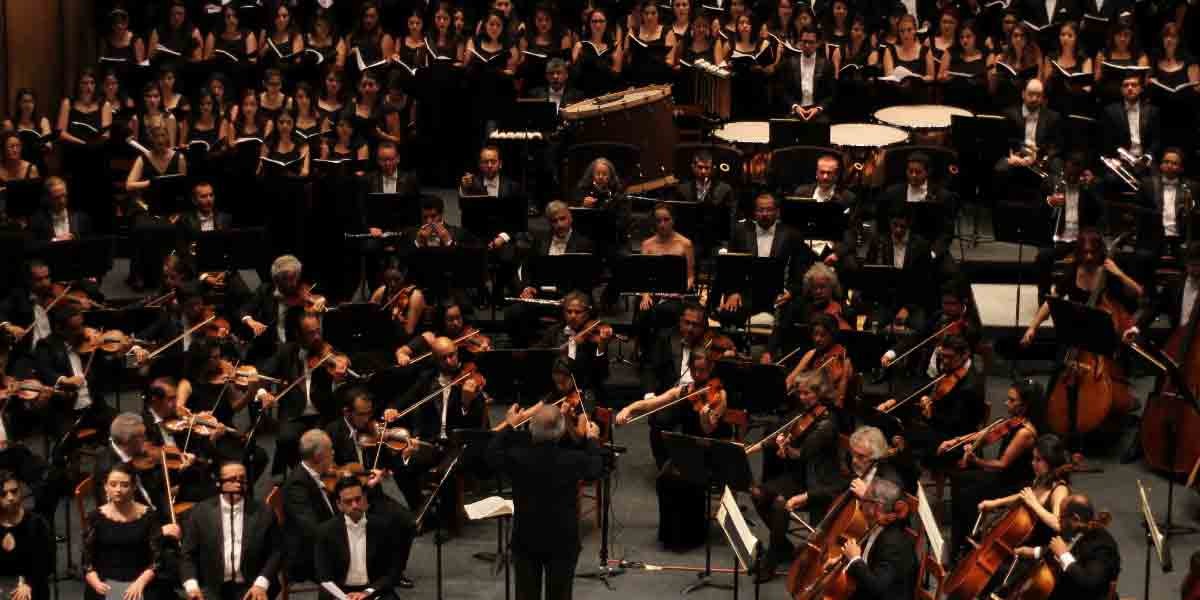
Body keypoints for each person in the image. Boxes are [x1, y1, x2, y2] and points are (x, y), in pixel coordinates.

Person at [488, 402, 605, 600]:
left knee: (526, 594)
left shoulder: (518, 457)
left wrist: (509, 425)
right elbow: (596, 467)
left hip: (526, 538)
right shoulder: (573, 459)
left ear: (532, 430)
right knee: (560, 594)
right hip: (562, 541)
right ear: (560, 433)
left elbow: (490, 454)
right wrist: (592, 440)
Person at [616, 351, 730, 550]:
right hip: (686, 448)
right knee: (664, 478)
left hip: (708, 450)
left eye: (702, 370)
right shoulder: (684, 391)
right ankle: (670, 535)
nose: (698, 374)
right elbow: (652, 402)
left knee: (685, 479)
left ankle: (691, 536)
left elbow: (709, 429)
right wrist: (629, 409)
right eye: (694, 370)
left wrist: (705, 415)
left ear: (711, 369)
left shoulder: (719, 394)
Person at [749, 371, 840, 581]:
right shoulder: (803, 412)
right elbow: (783, 433)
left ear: (819, 393)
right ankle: (783, 546)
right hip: (799, 475)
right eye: (800, 393)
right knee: (756, 493)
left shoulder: (827, 423)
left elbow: (805, 453)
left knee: (780, 503)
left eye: (807, 393)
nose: (802, 398)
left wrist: (787, 449)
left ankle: (771, 559)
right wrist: (780, 441)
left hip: (818, 479)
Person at [942, 380, 1041, 560]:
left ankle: (964, 547)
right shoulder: (1012, 421)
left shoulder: (1025, 432)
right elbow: (983, 434)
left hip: (1012, 484)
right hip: (1002, 476)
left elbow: (1002, 464)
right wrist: (956, 441)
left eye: (1012, 400)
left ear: (1024, 405)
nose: (1006, 403)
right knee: (958, 479)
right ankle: (960, 537)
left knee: (967, 493)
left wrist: (976, 460)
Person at [876, 334, 986, 467]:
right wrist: (893, 401)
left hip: (956, 437)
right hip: (940, 425)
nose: (944, 361)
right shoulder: (953, 368)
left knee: (902, 437)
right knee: (895, 421)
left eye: (949, 357)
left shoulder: (970, 386)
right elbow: (925, 386)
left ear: (965, 355)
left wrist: (930, 413)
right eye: (943, 356)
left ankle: (906, 472)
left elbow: (956, 422)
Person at [255, 313, 343, 474]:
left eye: (318, 331)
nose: (317, 337)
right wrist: (263, 394)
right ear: (298, 334)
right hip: (294, 414)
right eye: (311, 333)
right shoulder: (285, 351)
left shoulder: (327, 350)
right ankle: (302, 473)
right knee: (285, 438)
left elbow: (344, 370)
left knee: (335, 435)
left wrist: (338, 377)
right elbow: (263, 374)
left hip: (323, 413)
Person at [180, 461, 281, 600]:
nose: (239, 484)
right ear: (219, 483)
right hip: (211, 588)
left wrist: (261, 583)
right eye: (232, 479)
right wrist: (192, 587)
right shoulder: (200, 512)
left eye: (242, 479)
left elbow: (276, 550)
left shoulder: (264, 511)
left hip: (252, 584)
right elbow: (187, 554)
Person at [503, 201, 595, 347]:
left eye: (562, 219)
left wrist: (572, 298)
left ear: (570, 218)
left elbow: (588, 279)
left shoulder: (584, 243)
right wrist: (527, 287)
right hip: (541, 296)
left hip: (568, 299)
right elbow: (527, 268)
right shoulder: (540, 240)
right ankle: (525, 352)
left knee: (574, 315)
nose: (559, 224)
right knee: (514, 313)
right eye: (554, 221)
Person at [719, 192, 813, 327]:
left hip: (779, 293)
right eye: (760, 210)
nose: (764, 214)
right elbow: (732, 266)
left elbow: (800, 268)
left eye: (769, 210)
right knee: (728, 315)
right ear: (754, 212)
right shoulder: (740, 231)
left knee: (794, 318)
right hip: (748, 292)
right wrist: (733, 292)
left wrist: (790, 291)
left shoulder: (791, 234)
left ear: (777, 212)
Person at [1010, 494, 1120, 600]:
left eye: (1062, 517)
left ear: (1075, 518)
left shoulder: (1104, 547)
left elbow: (1089, 582)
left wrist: (1063, 555)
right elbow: (1073, 551)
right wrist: (1035, 551)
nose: (1059, 521)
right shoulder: (1080, 532)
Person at [314, 476, 407, 600]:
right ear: (339, 505)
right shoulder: (325, 531)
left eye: (358, 499)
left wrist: (368, 592)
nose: (355, 505)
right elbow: (323, 575)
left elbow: (394, 570)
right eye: (348, 501)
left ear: (365, 498)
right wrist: (343, 597)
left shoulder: (384, 527)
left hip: (373, 589)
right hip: (340, 591)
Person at [82, 463, 164, 600]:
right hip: (105, 580)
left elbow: (158, 560)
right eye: (113, 484)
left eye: (124, 485)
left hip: (140, 578)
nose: (118, 490)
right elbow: (86, 562)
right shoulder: (95, 517)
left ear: (134, 487)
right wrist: (96, 583)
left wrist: (140, 583)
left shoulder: (149, 516)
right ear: (105, 487)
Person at [1034, 153, 1102, 301]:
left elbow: (1099, 212)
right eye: (1068, 175)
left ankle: (1085, 298)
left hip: (1080, 241)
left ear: (1081, 174)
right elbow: (1036, 211)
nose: (1071, 179)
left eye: (1075, 176)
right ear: (1064, 170)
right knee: (1043, 256)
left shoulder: (1087, 189)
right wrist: (1049, 202)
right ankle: (1044, 298)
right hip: (1057, 239)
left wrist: (1090, 187)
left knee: (1094, 255)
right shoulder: (1050, 184)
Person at [840, 477, 918, 600]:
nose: (860, 505)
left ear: (876, 507)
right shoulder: (877, 525)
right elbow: (867, 559)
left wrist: (854, 559)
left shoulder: (892, 544)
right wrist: (843, 563)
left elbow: (877, 587)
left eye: (864, 500)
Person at [281, 429, 338, 584]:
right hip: (308, 555)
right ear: (318, 457)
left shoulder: (316, 474)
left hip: (324, 540)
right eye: (330, 450)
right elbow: (312, 529)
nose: (333, 453)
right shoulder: (296, 486)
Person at [876, 153, 954, 257]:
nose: (913, 175)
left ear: (928, 172)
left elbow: (946, 232)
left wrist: (933, 253)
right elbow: (881, 223)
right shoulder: (892, 193)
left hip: (930, 249)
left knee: (951, 272)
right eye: (910, 171)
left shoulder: (943, 196)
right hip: (897, 247)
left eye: (918, 172)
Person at [792, 154, 860, 271]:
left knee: (850, 265)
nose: (825, 176)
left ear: (836, 175)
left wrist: (837, 254)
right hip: (805, 248)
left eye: (829, 173)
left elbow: (851, 232)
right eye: (822, 172)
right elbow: (793, 224)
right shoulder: (801, 192)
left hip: (831, 250)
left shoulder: (847, 197)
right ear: (816, 173)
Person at [1134, 147, 1194, 277]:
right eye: (1166, 161)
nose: (1169, 165)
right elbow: (1137, 213)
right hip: (1153, 238)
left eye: (1174, 163)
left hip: (1180, 239)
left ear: (1181, 168)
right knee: (1142, 261)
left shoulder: (1190, 187)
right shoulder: (1147, 184)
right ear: (1161, 164)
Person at [994, 78, 1063, 187]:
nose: (1034, 98)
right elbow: (1004, 141)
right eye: (1030, 94)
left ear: (1043, 97)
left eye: (1038, 95)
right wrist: (1016, 155)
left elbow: (1055, 146)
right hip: (1015, 156)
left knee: (1056, 165)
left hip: (1039, 158)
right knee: (1000, 167)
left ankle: (1052, 201)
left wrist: (1040, 159)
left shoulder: (1053, 117)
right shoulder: (1009, 114)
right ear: (1023, 94)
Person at [0, 471, 53, 600]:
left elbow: (47, 564)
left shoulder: (36, 523)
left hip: (30, 584)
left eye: (14, 491)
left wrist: (29, 584)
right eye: (3, 494)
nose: (10, 497)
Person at [671, 151, 736, 246]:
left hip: (716, 242)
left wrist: (727, 244)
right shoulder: (682, 190)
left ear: (712, 169)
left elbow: (730, 219)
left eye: (707, 168)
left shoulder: (725, 189)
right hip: (689, 241)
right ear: (693, 167)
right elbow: (678, 219)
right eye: (700, 167)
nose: (703, 171)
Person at [1102, 75, 1161, 164]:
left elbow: (1157, 139)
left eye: (1134, 85)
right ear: (1121, 90)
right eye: (1126, 85)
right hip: (1121, 160)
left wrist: (1149, 155)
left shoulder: (1153, 111)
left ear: (1141, 89)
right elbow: (1107, 140)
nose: (1130, 88)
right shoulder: (1110, 111)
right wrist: (1123, 156)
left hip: (1146, 159)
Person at [778, 27, 835, 120]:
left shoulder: (826, 65)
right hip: (796, 110)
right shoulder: (790, 63)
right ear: (800, 42)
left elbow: (831, 95)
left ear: (817, 43)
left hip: (817, 112)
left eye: (811, 42)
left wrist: (818, 108)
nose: (807, 45)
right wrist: (795, 106)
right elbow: (784, 91)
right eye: (804, 41)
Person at [29, 177, 93, 243]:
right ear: (47, 199)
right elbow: (34, 245)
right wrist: (55, 241)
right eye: (57, 198)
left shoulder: (81, 218)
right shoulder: (37, 221)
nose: (62, 201)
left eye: (64, 195)